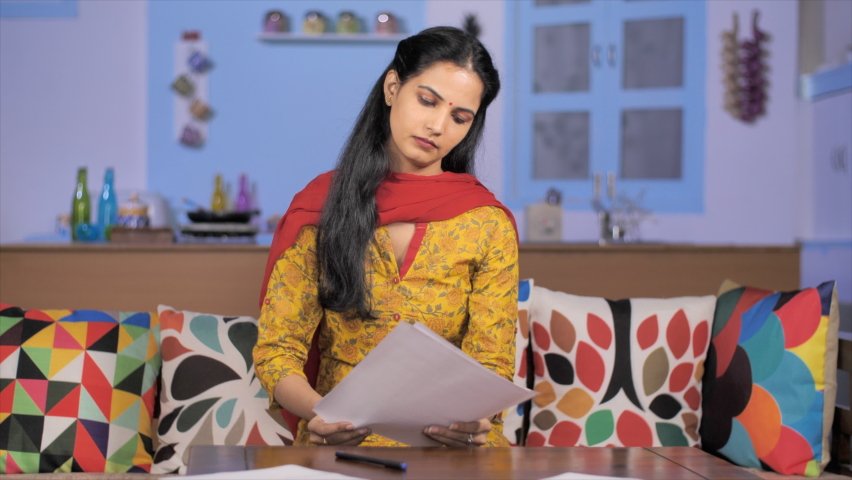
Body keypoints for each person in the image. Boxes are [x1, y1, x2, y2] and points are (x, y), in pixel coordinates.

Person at [253, 26, 519, 448]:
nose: (437, 126)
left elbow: (493, 361)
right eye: (427, 100)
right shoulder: (321, 208)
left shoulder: (486, 222)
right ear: (393, 87)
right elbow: (277, 350)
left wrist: (477, 422)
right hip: (341, 445)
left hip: (456, 451)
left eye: (459, 117)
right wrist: (322, 414)